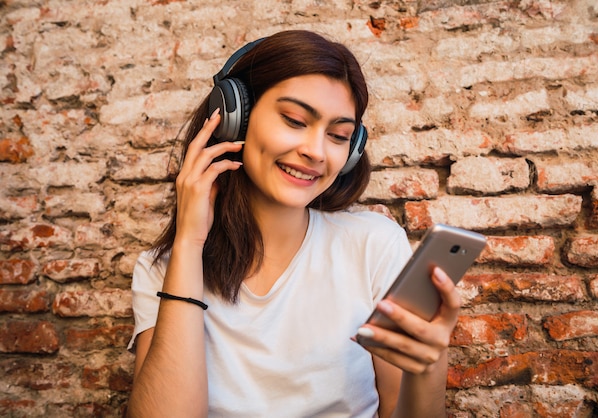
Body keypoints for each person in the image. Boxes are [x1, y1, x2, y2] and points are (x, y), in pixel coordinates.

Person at [126, 30, 461, 417]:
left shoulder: (373, 245)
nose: (316, 152)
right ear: (235, 119)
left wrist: (431, 364)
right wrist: (188, 242)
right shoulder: (164, 270)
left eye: (338, 135)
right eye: (294, 120)